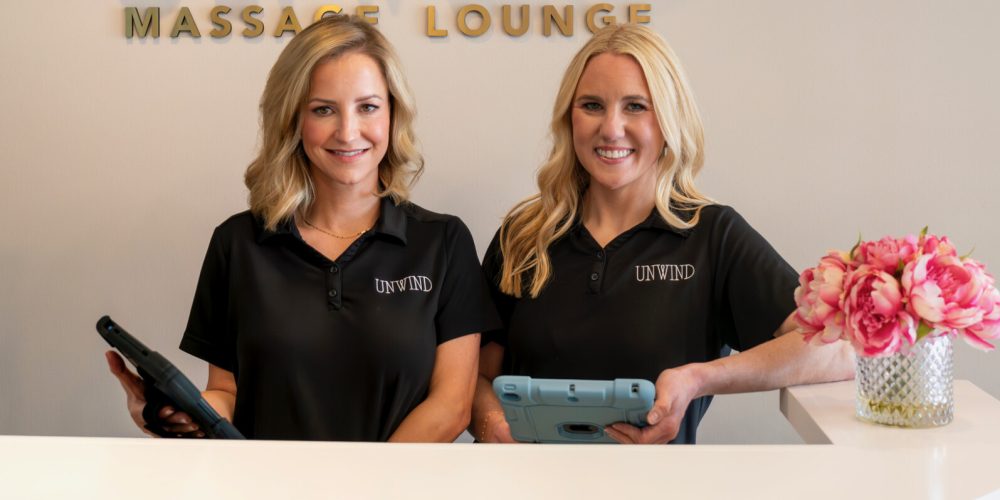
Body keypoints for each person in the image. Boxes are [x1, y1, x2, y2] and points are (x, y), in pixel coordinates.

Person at [106, 15, 499, 441]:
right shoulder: (237, 244)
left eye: (368, 107)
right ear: (292, 119)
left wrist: (368, 485)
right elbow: (226, 392)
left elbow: (452, 406)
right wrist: (182, 416)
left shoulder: (442, 242)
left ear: (393, 114)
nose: (348, 132)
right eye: (323, 109)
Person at [471, 24, 854, 444]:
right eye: (592, 105)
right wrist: (495, 429)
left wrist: (699, 379)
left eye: (636, 106)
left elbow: (834, 350)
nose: (612, 128)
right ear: (569, 117)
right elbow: (477, 375)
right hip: (526, 485)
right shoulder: (523, 236)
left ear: (669, 119)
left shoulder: (712, 235)